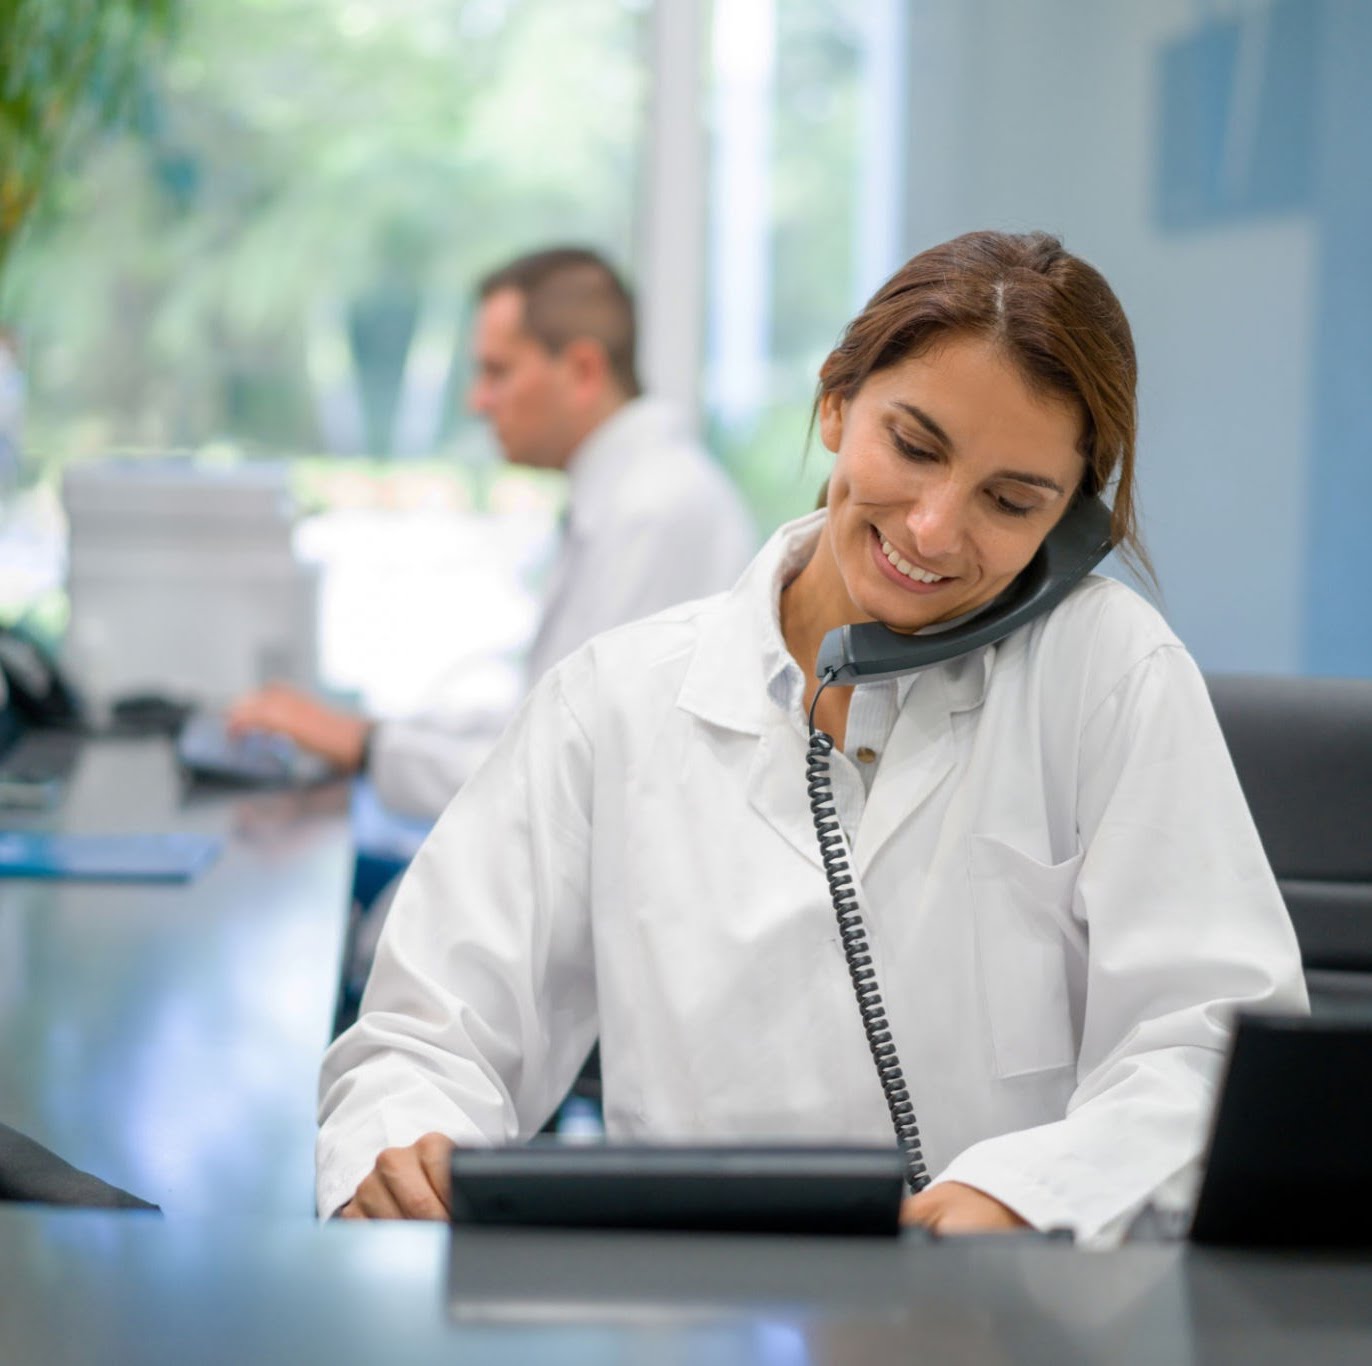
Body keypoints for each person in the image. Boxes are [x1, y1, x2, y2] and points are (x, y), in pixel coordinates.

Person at [315, 230, 1306, 1239]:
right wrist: (408, 1148)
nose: (932, 528)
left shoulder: (1106, 670)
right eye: (914, 447)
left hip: (1002, 1321)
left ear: (1067, 528)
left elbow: (1206, 1039)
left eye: (1010, 501)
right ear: (835, 402)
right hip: (693, 1309)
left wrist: (1027, 1193)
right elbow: (426, 1033)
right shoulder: (615, 702)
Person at [229, 248, 755, 820]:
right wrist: (371, 734)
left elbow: (564, 777)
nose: (476, 400)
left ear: (582, 372)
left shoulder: (654, 513)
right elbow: (541, 722)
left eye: (497, 372)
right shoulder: (628, 495)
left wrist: (366, 749)